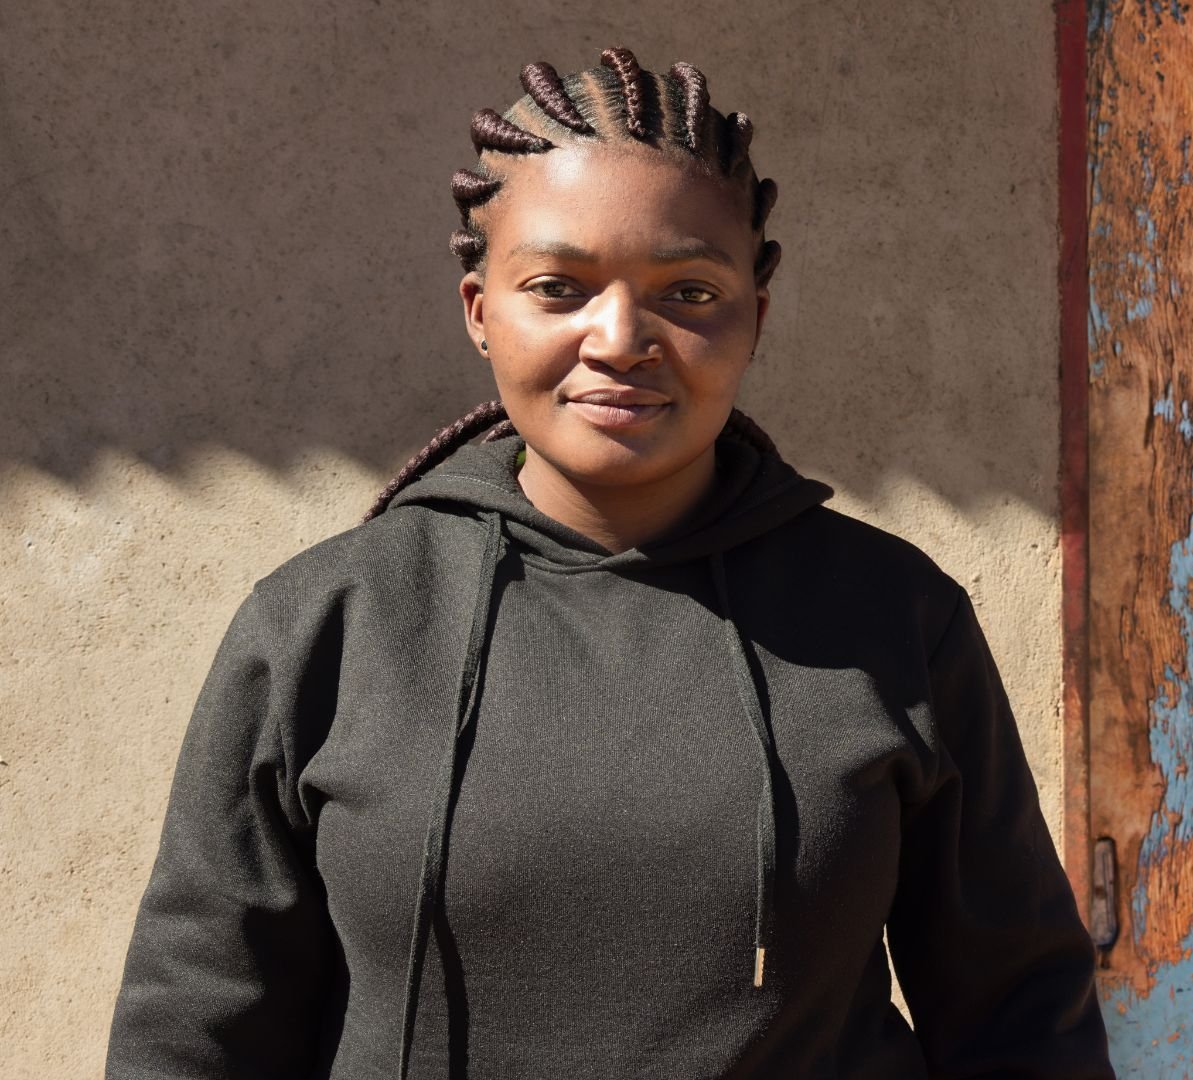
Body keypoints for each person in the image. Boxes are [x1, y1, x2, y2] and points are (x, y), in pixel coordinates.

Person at [105, 47, 1112, 1079]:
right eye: (558, 286)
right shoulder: (331, 623)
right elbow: (196, 1026)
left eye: (688, 291)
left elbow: (1020, 1015)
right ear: (480, 310)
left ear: (754, 318)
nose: (622, 337)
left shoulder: (894, 621)